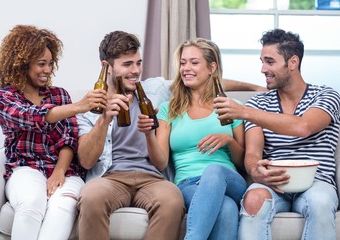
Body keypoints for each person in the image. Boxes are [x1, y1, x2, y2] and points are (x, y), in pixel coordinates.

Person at [214, 29, 340, 239]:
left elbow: (304, 127)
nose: (263, 69)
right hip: (273, 182)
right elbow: (253, 153)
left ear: (292, 62)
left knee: (320, 202)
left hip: (316, 182)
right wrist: (255, 170)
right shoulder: (258, 103)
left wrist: (244, 112)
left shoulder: (326, 95)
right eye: (262, 61)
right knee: (253, 199)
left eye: (270, 61)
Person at [0, 25, 106, 240]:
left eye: (50, 63)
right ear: (22, 64)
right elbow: (30, 116)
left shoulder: (59, 95)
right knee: (31, 204)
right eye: (41, 64)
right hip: (26, 168)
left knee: (63, 207)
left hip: (66, 172)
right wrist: (80, 106)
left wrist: (60, 171)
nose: (47, 69)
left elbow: (68, 138)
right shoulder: (4, 98)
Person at [76, 30, 186, 240]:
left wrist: (253, 86)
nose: (136, 71)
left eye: (138, 63)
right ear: (106, 67)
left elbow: (196, 80)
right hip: (110, 177)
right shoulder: (88, 108)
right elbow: (87, 160)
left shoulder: (154, 90)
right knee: (91, 197)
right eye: (127, 64)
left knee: (172, 200)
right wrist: (105, 118)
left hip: (151, 178)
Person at [138, 38, 248, 240]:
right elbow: (161, 161)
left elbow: (244, 163)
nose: (186, 68)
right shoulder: (168, 109)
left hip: (229, 179)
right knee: (226, 209)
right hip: (187, 184)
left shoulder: (230, 106)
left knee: (214, 171)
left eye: (194, 63)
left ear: (211, 68)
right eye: (183, 63)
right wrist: (148, 134)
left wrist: (228, 141)